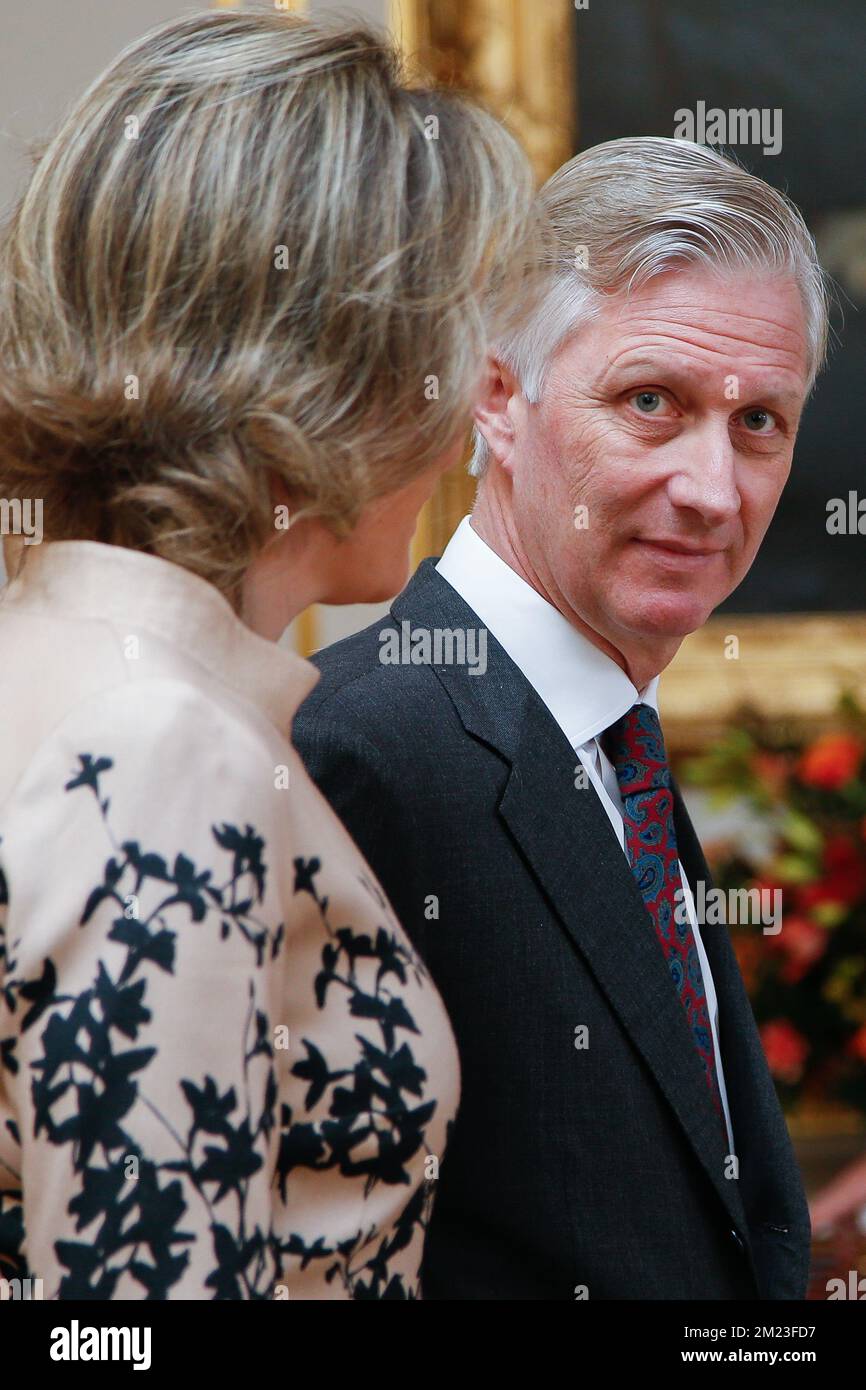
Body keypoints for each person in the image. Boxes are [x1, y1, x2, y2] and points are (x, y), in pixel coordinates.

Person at [0, 9, 540, 1299]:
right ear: (345, 359)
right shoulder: (161, 742)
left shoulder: (71, 662)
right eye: (459, 330)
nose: (475, 400)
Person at [294, 136, 831, 1299]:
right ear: (498, 396)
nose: (711, 488)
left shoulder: (612, 740)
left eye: (758, 425)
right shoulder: (361, 751)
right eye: (651, 401)